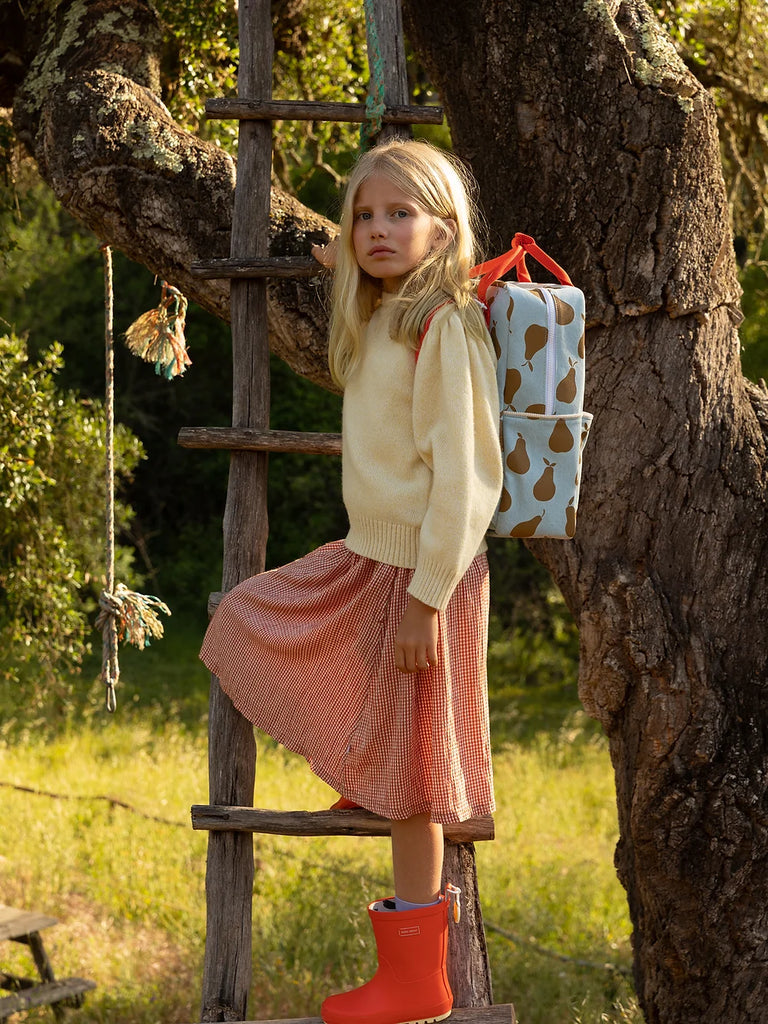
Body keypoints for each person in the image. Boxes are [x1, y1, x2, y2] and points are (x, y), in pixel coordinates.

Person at [200, 138, 503, 1024]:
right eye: (364, 215)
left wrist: (427, 600)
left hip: (422, 571)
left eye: (399, 214)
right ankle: (365, 762)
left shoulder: (446, 326)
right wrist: (344, 267)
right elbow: (361, 326)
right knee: (251, 616)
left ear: (445, 231)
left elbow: (469, 478)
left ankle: (417, 984)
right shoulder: (382, 317)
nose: (377, 229)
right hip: (370, 555)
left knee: (417, 792)